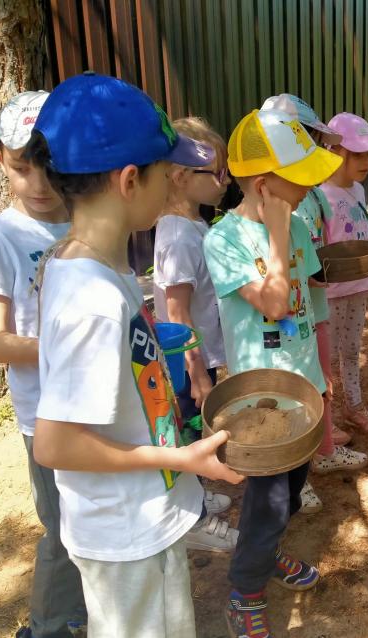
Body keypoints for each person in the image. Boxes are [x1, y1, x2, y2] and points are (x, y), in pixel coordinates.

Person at [26, 72, 242, 638]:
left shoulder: (103, 268)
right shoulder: (92, 297)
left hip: (139, 514)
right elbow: (55, 443)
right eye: (165, 171)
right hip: (124, 529)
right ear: (129, 180)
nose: (173, 181)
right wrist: (178, 459)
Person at [203, 107, 342, 638]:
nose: (308, 189)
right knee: (269, 500)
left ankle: (269, 552)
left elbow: (309, 299)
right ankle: (245, 593)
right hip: (261, 407)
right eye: (298, 180)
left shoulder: (299, 226)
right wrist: (279, 236)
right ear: (264, 186)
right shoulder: (225, 241)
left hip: (302, 389)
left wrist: (321, 374)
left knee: (293, 489)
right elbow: (276, 304)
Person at [0, 91, 86, 638]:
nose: (39, 184)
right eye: (22, 167)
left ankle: (86, 607)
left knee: (95, 516)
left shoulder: (88, 221)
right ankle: (47, 626)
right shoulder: (1, 238)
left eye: (50, 166)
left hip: (99, 403)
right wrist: (69, 347)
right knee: (61, 526)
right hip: (47, 415)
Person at [260, 95, 368, 515]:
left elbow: (318, 248)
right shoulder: (279, 204)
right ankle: (298, 472)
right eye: (308, 138)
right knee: (294, 393)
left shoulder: (310, 195)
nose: (316, 147)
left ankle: (323, 451)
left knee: (320, 383)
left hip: (314, 308)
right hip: (289, 318)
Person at [153, 116, 238, 551]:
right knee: (185, 432)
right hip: (185, 365)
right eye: (217, 173)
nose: (226, 181)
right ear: (182, 176)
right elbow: (177, 310)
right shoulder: (178, 236)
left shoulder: (195, 225)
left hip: (200, 357)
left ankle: (197, 499)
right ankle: (192, 520)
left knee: (194, 429)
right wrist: (198, 372)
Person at [320, 112, 368, 437]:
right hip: (332, 289)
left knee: (351, 349)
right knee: (328, 355)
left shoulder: (358, 191)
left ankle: (354, 406)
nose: (366, 162)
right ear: (334, 151)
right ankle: (327, 416)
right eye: (357, 154)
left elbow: (363, 230)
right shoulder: (319, 196)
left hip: (359, 284)